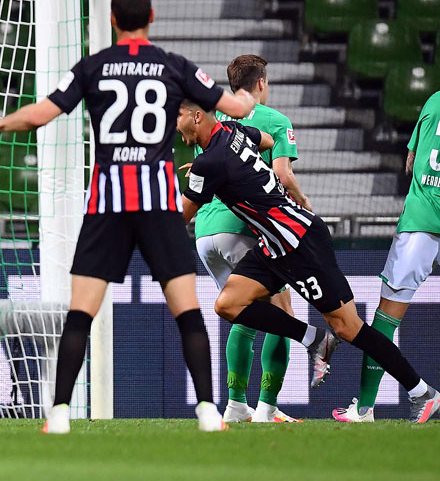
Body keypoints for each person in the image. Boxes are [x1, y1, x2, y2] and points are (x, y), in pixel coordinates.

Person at [0, 0, 257, 433]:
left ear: (113, 20)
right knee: (187, 311)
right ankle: (209, 413)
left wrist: (0, 124)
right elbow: (234, 107)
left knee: (80, 313)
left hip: (108, 204)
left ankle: (58, 415)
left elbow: (40, 114)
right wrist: (249, 97)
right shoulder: (175, 67)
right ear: (151, 17)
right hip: (157, 204)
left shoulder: (92, 67)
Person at [177, 99, 440, 423]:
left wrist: (205, 179)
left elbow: (181, 218)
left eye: (177, 115)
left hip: (300, 242)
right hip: (273, 244)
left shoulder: (209, 163)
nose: (175, 125)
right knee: (228, 304)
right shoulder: (232, 131)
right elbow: (267, 141)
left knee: (349, 327)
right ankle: (314, 338)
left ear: (196, 115)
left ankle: (422, 392)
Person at [192, 55, 310, 423]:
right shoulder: (275, 120)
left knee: (244, 313)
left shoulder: (215, 122)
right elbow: (283, 176)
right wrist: (305, 204)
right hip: (243, 228)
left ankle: (236, 404)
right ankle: (267, 409)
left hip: (204, 234)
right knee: (281, 311)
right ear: (262, 83)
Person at [334, 90, 440, 422]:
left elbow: (409, 161)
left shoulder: (434, 100)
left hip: (421, 221)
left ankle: (365, 408)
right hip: (422, 222)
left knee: (386, 317)